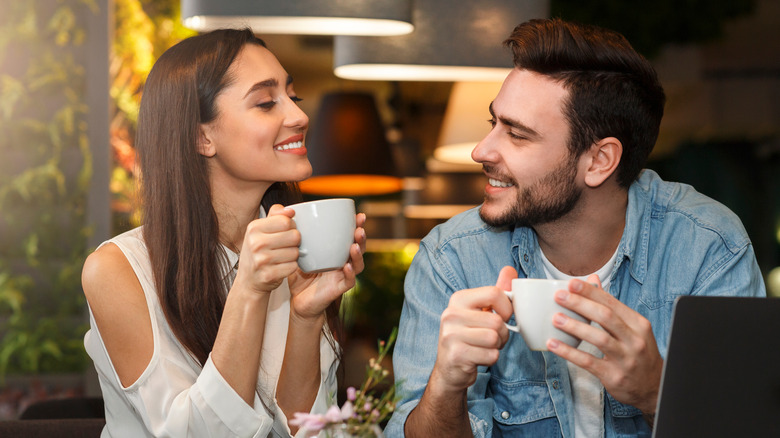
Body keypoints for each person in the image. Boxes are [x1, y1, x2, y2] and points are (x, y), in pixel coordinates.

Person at [385, 18, 765, 438]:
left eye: (517, 135)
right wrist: (445, 387)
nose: (481, 150)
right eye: (492, 123)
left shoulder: (707, 247)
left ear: (599, 161)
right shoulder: (452, 258)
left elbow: (743, 426)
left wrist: (657, 393)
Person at [81, 29, 367, 437]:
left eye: (293, 97)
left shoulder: (297, 248)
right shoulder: (117, 270)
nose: (300, 116)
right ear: (202, 136)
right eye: (267, 102)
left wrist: (306, 315)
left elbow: (309, 431)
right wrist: (249, 289)